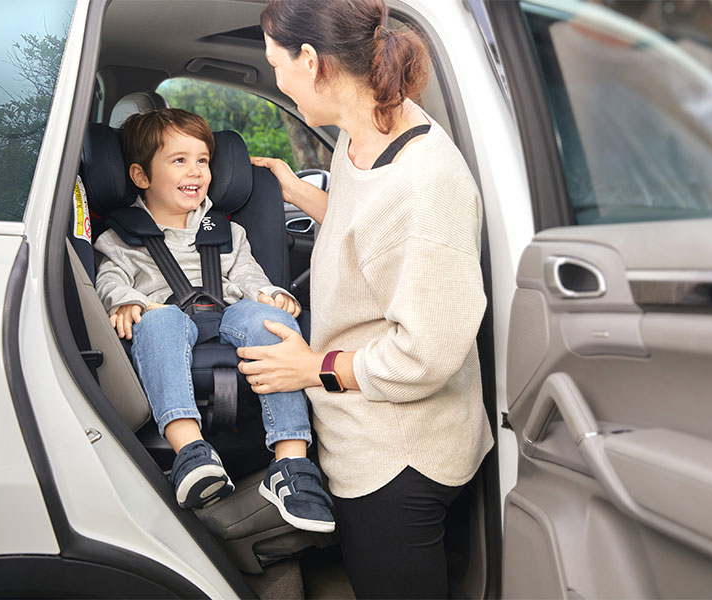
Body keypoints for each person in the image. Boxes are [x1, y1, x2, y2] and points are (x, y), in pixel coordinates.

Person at [236, 0, 494, 597]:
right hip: (364, 433)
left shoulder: (425, 181)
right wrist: (300, 193)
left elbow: (425, 354)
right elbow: (370, 235)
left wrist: (310, 369)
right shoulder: (365, 133)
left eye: (275, 63)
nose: (277, 77)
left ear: (310, 60)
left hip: (400, 457)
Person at [94, 108, 334, 533]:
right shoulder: (119, 237)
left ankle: (291, 464)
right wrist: (127, 302)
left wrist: (271, 295)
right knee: (160, 321)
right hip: (163, 316)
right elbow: (110, 279)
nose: (196, 171)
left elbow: (248, 274)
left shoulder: (226, 230)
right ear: (141, 175)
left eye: (203, 160)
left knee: (270, 322)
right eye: (179, 160)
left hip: (228, 314)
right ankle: (192, 452)